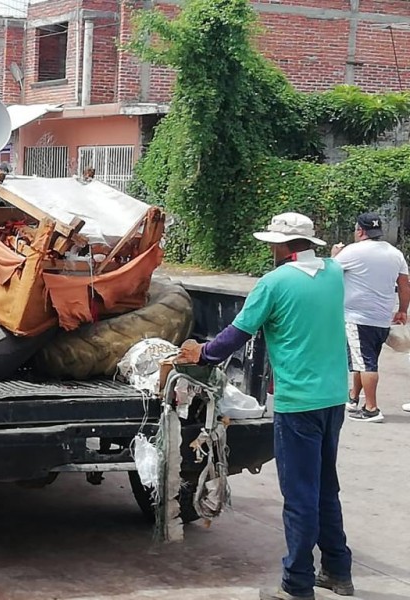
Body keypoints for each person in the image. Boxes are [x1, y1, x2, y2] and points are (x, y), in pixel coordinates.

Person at [176, 213, 353, 600]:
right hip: (334, 398)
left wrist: (200, 355)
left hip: (298, 402)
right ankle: (338, 571)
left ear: (283, 246)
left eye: (273, 243)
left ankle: (297, 584)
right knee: (325, 486)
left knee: (300, 494)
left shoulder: (273, 283)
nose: (270, 250)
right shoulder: (334, 272)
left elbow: (234, 336)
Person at [331, 212, 409, 423]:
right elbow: (404, 284)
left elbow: (329, 274)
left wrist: (334, 255)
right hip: (382, 318)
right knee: (365, 359)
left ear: (360, 230)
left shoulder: (351, 252)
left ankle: (372, 408)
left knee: (365, 363)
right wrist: (403, 310)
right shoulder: (395, 253)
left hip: (358, 318)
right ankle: (354, 397)